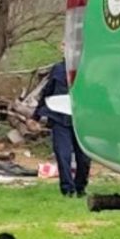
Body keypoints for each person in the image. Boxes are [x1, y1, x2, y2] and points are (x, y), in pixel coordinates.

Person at [34, 53, 91, 197]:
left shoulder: (88, 69)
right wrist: (36, 115)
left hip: (82, 121)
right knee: (62, 154)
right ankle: (67, 189)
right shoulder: (58, 69)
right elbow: (47, 92)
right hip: (60, 119)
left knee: (84, 158)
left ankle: (80, 186)